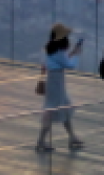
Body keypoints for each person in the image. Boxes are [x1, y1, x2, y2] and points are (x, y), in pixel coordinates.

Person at [35, 24, 86, 152]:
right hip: (56, 82)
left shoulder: (51, 47)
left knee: (64, 107)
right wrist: (76, 55)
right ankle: (41, 140)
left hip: (54, 80)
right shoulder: (58, 50)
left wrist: (72, 53)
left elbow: (60, 61)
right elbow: (70, 65)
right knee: (52, 110)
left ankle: (72, 136)